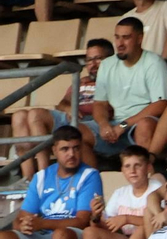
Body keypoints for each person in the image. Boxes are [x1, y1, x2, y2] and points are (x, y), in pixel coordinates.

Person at [0, 127, 99, 239]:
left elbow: (82, 221)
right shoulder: (41, 177)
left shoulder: (89, 175)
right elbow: (19, 219)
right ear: (54, 150)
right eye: (65, 149)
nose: (71, 154)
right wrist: (24, 225)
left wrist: (42, 223)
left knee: (60, 235)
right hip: (42, 237)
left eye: (76, 148)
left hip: (73, 238)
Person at [13, 39, 104, 181]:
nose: (93, 64)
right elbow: (62, 104)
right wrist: (69, 108)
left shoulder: (115, 80)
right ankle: (28, 178)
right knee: (20, 116)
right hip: (71, 119)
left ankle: (44, 176)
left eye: (98, 59)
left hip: (93, 122)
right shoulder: (82, 81)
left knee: (35, 114)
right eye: (89, 60)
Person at [90, 18, 167, 159]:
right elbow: (99, 103)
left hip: (142, 123)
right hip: (115, 124)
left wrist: (123, 125)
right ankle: (89, 180)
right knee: (77, 133)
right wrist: (104, 124)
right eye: (117, 37)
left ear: (139, 38)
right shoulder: (106, 65)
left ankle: (145, 174)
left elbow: (161, 104)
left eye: (126, 38)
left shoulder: (154, 62)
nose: (119, 44)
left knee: (144, 125)